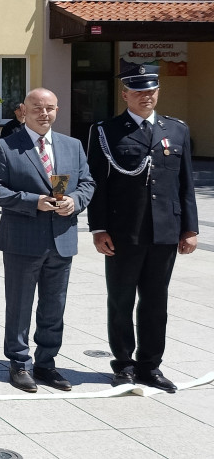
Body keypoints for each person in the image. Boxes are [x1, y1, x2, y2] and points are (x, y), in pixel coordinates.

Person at [87, 64, 198, 393]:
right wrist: (98, 229)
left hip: (165, 231)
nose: (145, 96)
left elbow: (186, 183)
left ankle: (150, 365)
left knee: (155, 301)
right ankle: (123, 364)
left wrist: (189, 228)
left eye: (151, 90)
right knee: (120, 301)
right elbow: (98, 185)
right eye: (137, 91)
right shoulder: (107, 131)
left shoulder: (176, 130)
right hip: (123, 232)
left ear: (158, 91)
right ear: (124, 94)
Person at [0, 88, 95, 393]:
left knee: (54, 306)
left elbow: (88, 182)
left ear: (57, 110)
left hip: (62, 237)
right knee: (20, 305)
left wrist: (74, 200)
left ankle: (47, 362)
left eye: (50, 108)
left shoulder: (72, 146)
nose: (44, 114)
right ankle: (19, 363)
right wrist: (31, 200)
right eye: (37, 108)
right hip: (23, 239)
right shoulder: (6, 146)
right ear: (23, 110)